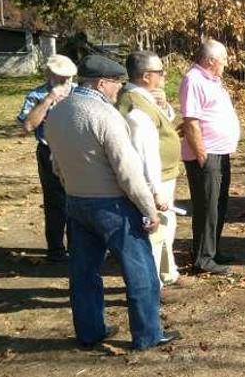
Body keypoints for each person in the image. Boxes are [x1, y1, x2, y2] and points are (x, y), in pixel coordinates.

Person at [44, 54, 180, 350]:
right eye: (116, 84)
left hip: (76, 202)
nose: (119, 89)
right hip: (113, 206)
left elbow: (56, 165)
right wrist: (148, 209)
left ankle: (90, 331)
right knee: (140, 270)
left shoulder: (56, 112)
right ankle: (147, 334)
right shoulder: (105, 116)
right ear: (102, 83)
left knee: (83, 272)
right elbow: (127, 170)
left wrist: (72, 188)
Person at [117, 50, 183, 287]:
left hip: (164, 174)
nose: (163, 75)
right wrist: (154, 191)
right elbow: (145, 154)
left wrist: (163, 104)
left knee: (168, 225)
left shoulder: (144, 97)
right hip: (154, 179)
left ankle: (168, 272)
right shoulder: (135, 106)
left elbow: (164, 120)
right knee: (155, 230)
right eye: (160, 72)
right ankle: (153, 282)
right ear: (146, 76)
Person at [179, 40, 241, 275]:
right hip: (206, 155)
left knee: (218, 205)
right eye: (223, 59)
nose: (226, 63)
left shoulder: (212, 80)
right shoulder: (193, 79)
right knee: (207, 207)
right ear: (210, 60)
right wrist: (202, 155)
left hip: (220, 152)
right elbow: (191, 122)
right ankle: (202, 259)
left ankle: (212, 250)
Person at [17, 54, 77, 262]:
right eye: (61, 77)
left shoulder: (79, 92)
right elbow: (27, 125)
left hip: (77, 153)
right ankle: (56, 250)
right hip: (49, 152)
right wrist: (49, 99)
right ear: (49, 75)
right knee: (55, 202)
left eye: (68, 77)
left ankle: (78, 247)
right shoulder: (37, 95)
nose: (65, 82)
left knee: (78, 199)